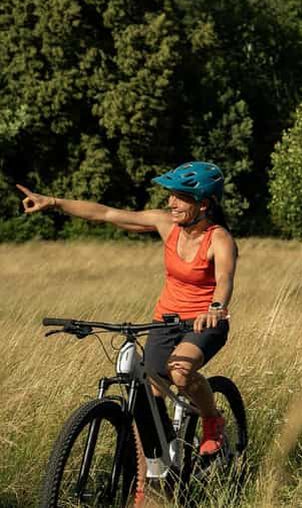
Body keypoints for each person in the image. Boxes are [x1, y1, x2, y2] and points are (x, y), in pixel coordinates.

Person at [17, 161, 237, 457]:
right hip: (165, 322)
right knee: (149, 391)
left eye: (180, 197)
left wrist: (215, 306)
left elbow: (224, 279)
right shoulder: (166, 224)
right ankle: (160, 463)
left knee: (180, 372)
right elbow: (107, 213)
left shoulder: (219, 238)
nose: (171, 202)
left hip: (204, 322)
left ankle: (212, 418)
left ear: (203, 204)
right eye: (170, 195)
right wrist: (54, 202)